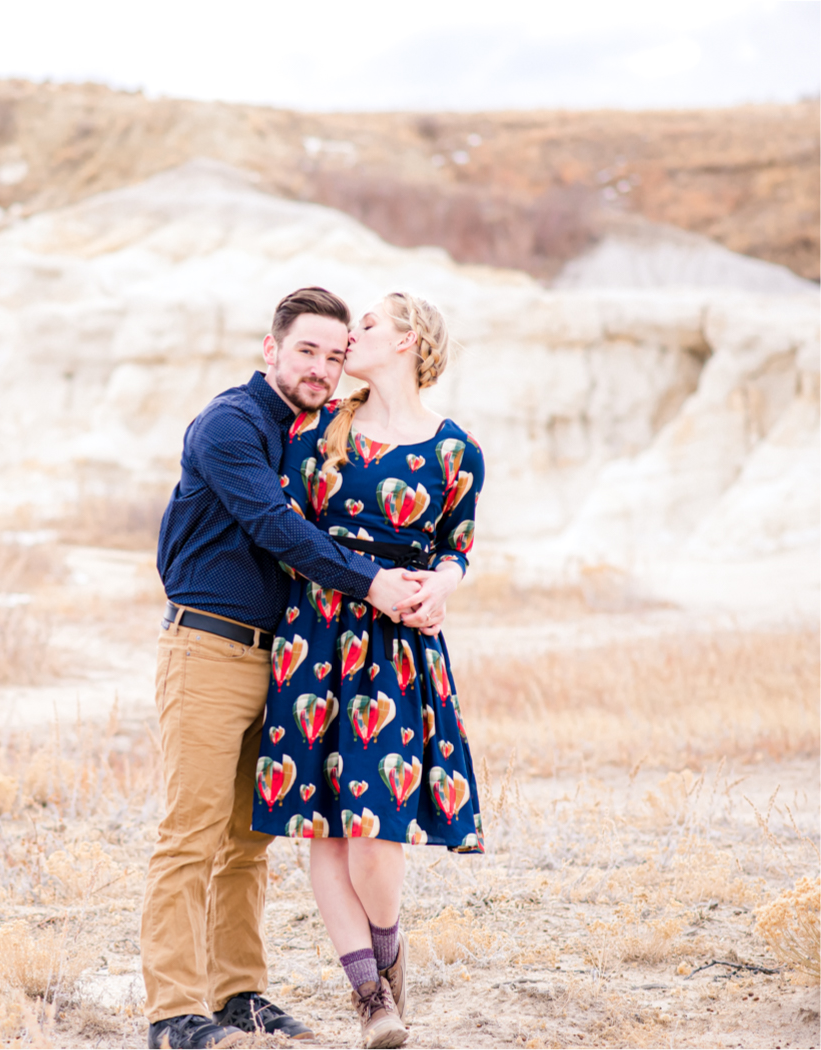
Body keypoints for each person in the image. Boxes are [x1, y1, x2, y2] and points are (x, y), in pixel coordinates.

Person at [141, 287, 440, 1050]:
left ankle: (238, 997)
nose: (320, 368)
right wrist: (374, 585)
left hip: (283, 662)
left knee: (247, 842)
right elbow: (276, 527)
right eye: (306, 351)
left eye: (334, 356)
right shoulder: (230, 425)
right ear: (271, 349)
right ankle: (172, 1014)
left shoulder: (314, 433)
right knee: (190, 836)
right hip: (209, 650)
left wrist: (431, 581)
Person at [250, 292, 484, 1050]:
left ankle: (388, 949)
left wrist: (441, 587)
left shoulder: (455, 450)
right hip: (316, 639)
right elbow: (289, 531)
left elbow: (457, 546)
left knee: (376, 832)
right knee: (323, 827)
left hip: (397, 651)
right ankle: (371, 1000)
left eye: (370, 325)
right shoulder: (317, 430)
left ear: (409, 341)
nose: (352, 336)